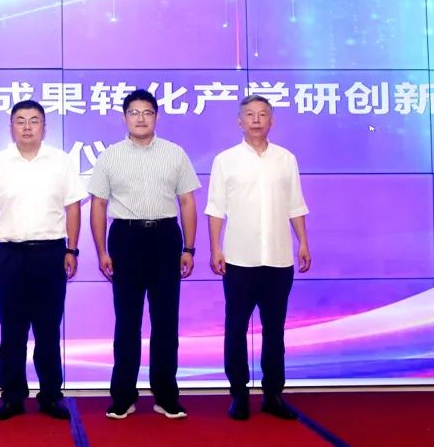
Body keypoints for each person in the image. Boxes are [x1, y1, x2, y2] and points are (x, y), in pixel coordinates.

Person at [0, 99, 86, 421]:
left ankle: (50, 396)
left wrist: (72, 250)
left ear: (44, 127)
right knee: (12, 330)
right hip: (10, 255)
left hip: (51, 254)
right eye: (20, 120)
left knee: (48, 329)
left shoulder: (60, 161)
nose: (27, 127)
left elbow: (73, 207)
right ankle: (12, 397)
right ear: (11, 126)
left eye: (34, 120)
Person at [88, 88, 200, 420]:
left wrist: (189, 248)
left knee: (166, 322)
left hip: (165, 238)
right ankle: (123, 396)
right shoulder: (110, 156)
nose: (140, 118)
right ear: (124, 117)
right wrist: (102, 251)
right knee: (127, 322)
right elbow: (98, 205)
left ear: (156, 117)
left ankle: (166, 395)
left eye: (147, 112)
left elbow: (187, 202)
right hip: (126, 239)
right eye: (134, 112)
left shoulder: (175, 153)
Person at [205, 94, 311, 421]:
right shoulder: (225, 160)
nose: (255, 120)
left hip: (278, 259)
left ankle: (273, 394)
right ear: (239, 121)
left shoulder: (286, 159)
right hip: (239, 259)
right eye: (249, 114)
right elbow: (215, 209)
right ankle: (238, 394)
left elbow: (295, 205)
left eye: (262, 114)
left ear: (271, 121)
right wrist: (215, 248)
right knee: (236, 328)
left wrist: (303, 243)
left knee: (274, 330)